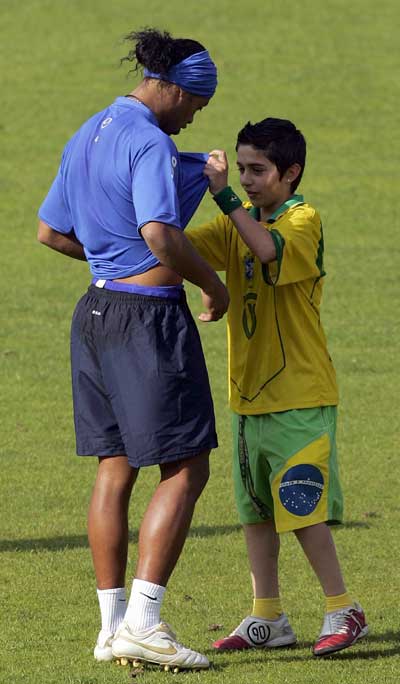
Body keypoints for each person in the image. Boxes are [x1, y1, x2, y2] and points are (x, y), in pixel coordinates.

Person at [37, 28, 229, 672]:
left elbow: (50, 231)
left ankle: (110, 627)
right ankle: (145, 623)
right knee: (186, 467)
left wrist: (112, 262)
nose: (192, 120)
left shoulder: (88, 130)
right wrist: (210, 282)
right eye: (195, 107)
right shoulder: (148, 139)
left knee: (114, 468)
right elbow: (159, 230)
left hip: (94, 312)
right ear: (174, 89)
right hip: (148, 322)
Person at [187, 117, 368, 657]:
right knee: (257, 512)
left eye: (258, 170)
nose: (246, 179)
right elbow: (178, 253)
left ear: (291, 173)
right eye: (241, 169)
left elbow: (266, 250)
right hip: (247, 398)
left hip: (301, 397)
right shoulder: (236, 222)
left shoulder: (302, 220)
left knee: (300, 507)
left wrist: (223, 200)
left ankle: (343, 607)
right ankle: (268, 616)